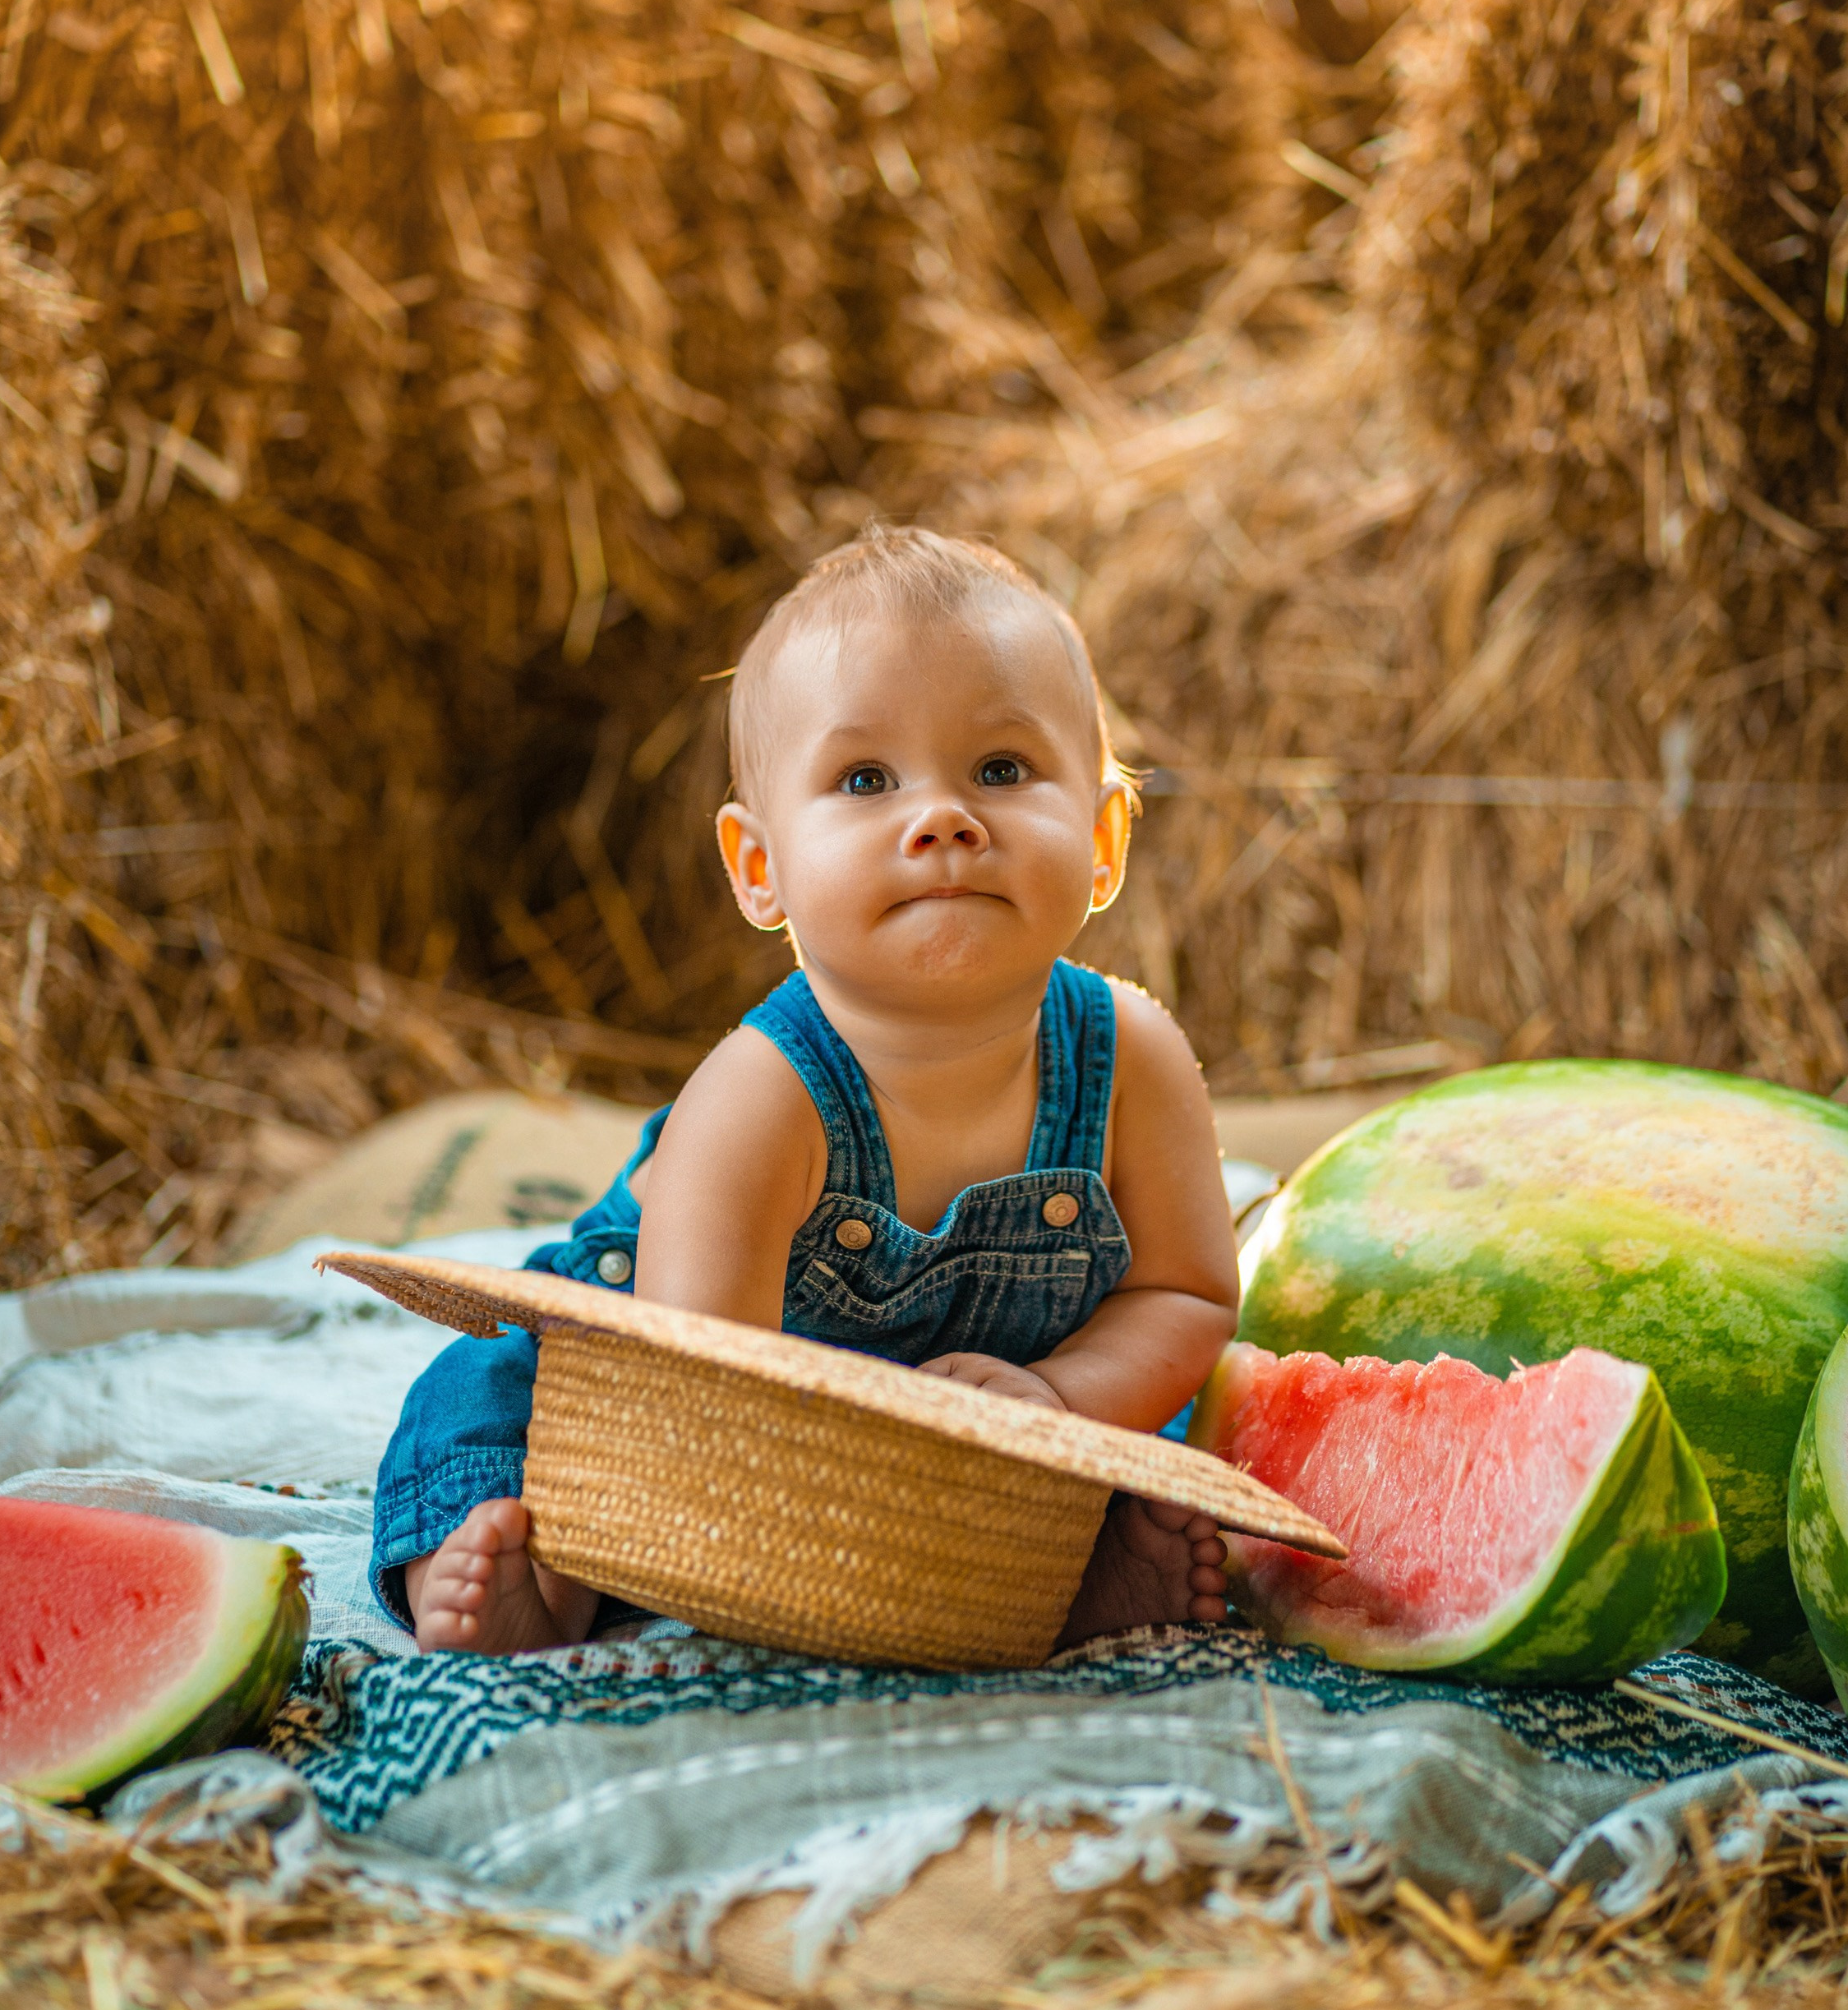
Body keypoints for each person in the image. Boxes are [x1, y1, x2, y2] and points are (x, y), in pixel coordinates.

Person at [372, 524, 1241, 1654]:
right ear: (759, 867)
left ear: (1105, 836)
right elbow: (705, 1392)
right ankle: (552, 1573)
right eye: (866, 779)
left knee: (1184, 1422)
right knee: (489, 1394)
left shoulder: (1137, 1058)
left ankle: (1071, 1576)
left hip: (999, 1439)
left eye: (1002, 770)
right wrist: (818, 1519)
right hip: (711, 1410)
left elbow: (1188, 1299)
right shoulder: (762, 1093)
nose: (944, 818)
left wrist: (1067, 1404)